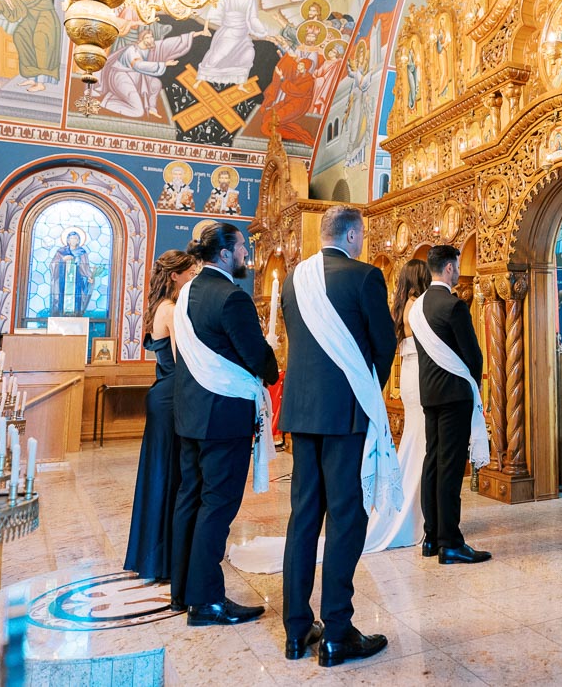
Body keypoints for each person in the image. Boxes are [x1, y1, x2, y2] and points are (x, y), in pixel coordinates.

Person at [280, 205, 398, 666]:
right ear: (353, 235)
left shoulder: (293, 279)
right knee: (347, 518)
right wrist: (367, 386)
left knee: (303, 518)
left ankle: (295, 631)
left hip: (302, 412)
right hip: (347, 414)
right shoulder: (364, 277)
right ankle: (337, 631)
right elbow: (383, 343)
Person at [171, 221, 279, 625]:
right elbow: (256, 357)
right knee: (217, 506)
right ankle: (207, 601)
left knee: (191, 500)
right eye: (241, 250)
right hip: (222, 415)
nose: (245, 257)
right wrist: (271, 363)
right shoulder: (231, 297)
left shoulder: (186, 294)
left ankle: (182, 590)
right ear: (223, 254)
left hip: (191, 414)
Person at [410, 244, 490, 564]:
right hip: (455, 394)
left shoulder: (417, 307)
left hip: (429, 394)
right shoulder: (453, 306)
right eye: (457, 266)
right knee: (451, 468)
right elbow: (473, 355)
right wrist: (473, 387)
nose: (458, 271)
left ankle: (431, 537)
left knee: (433, 462)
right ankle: (451, 542)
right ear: (448, 268)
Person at [125, 250, 199, 582]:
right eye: (189, 273)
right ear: (174, 276)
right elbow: (188, 357)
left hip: (162, 393)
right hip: (171, 395)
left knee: (161, 474)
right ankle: (165, 557)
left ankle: (156, 554)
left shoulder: (158, 307)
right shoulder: (171, 309)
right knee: (172, 475)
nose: (192, 278)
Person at [363, 259, 431, 552]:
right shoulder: (416, 305)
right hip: (419, 375)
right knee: (421, 443)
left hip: (409, 375)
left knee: (418, 442)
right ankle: (408, 513)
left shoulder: (402, 304)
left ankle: (414, 509)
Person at [50, 230, 94, 316]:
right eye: (71, 238)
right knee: (60, 296)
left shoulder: (82, 252)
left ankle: (77, 314)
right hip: (62, 281)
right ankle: (59, 315)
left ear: (78, 241)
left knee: (77, 299)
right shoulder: (61, 252)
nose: (73, 240)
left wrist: (90, 277)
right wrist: (62, 260)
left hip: (77, 281)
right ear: (68, 240)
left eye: (76, 238)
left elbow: (85, 268)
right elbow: (52, 265)